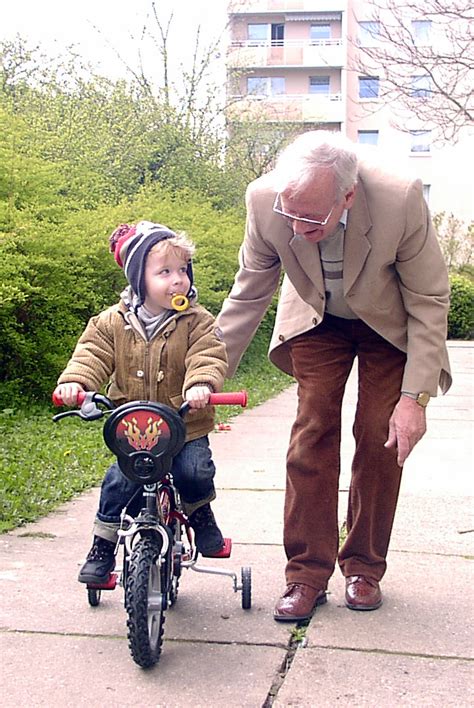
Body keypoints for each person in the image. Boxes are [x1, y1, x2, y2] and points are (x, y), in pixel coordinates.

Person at [216, 130, 451, 621]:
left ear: (348, 194)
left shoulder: (399, 197)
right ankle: (306, 574)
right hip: (316, 319)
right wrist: (207, 376)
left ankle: (364, 566)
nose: (297, 226)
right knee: (312, 430)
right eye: (291, 212)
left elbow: (429, 299)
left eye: (311, 216)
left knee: (381, 436)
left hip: (388, 322)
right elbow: (248, 294)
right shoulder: (266, 202)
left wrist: (415, 400)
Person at [54, 220, 228, 584]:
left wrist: (201, 384)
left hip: (185, 423)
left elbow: (207, 355)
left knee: (193, 471)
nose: (178, 280)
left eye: (182, 270)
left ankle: (200, 516)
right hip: (135, 429)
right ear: (138, 279)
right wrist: (75, 382)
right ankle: (102, 547)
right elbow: (91, 354)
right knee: (119, 485)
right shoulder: (111, 322)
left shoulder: (196, 321)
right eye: (164, 272)